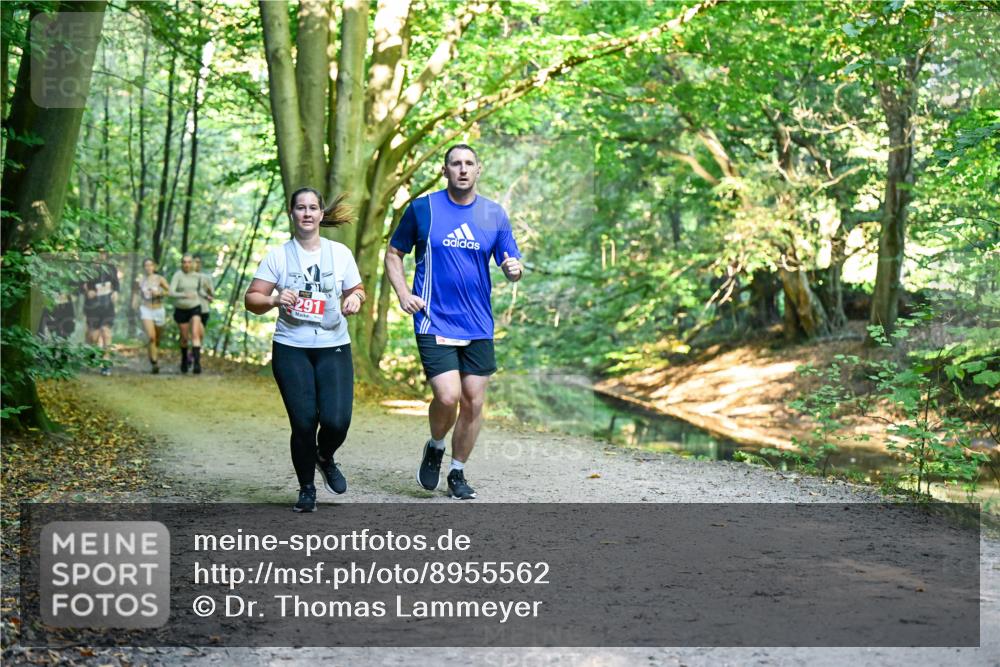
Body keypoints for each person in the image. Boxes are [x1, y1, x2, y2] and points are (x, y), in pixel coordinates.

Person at [385, 144, 523, 500]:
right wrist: (403, 293)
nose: (462, 169)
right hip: (434, 319)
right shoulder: (423, 209)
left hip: (477, 323)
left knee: (473, 401)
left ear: (479, 169)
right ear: (444, 170)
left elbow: (512, 262)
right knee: (448, 396)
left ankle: (457, 472)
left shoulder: (493, 214)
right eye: (455, 163)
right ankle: (435, 445)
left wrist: (513, 269)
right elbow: (394, 253)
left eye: (468, 163)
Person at [244, 187, 365, 513]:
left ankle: (324, 456)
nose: (307, 213)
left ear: (321, 214)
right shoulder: (278, 256)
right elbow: (251, 299)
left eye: (313, 207)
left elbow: (356, 289)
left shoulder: (340, 253)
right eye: (301, 207)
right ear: (292, 213)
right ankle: (306, 488)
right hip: (291, 348)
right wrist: (273, 299)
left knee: (337, 421)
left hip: (333, 346)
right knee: (303, 422)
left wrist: (354, 298)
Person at [82, 250, 120, 376]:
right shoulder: (88, 269)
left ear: (106, 255)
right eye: (98, 253)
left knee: (106, 332)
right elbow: (80, 285)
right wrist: (87, 292)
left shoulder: (111, 268)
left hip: (107, 307)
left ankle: (106, 364)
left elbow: (116, 284)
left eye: (103, 253)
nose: (100, 255)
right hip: (93, 307)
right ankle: (90, 352)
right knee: (94, 337)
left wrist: (115, 292)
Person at [169, 254, 205, 374]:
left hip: (194, 307)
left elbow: (199, 290)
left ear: (192, 263)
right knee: (184, 338)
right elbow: (171, 292)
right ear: (181, 264)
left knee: (195, 334)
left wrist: (207, 296)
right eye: (184, 262)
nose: (187, 264)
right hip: (181, 309)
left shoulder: (197, 276)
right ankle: (184, 360)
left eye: (189, 262)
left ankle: (197, 364)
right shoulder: (177, 275)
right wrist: (184, 295)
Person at [133, 258, 170, 374]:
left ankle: (153, 354)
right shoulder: (140, 280)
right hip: (146, 309)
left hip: (159, 310)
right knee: (151, 337)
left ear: (154, 267)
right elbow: (136, 293)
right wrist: (134, 304)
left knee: (157, 338)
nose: (148, 267)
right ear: (143, 267)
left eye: (150, 265)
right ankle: (154, 362)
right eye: (146, 265)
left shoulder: (159, 279)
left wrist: (160, 293)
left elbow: (169, 291)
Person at [192, 254, 214, 336]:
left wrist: (208, 290)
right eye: (195, 262)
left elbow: (212, 296)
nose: (196, 264)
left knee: (200, 335)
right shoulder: (186, 277)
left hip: (203, 310)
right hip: (190, 309)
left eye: (198, 262)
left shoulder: (206, 277)